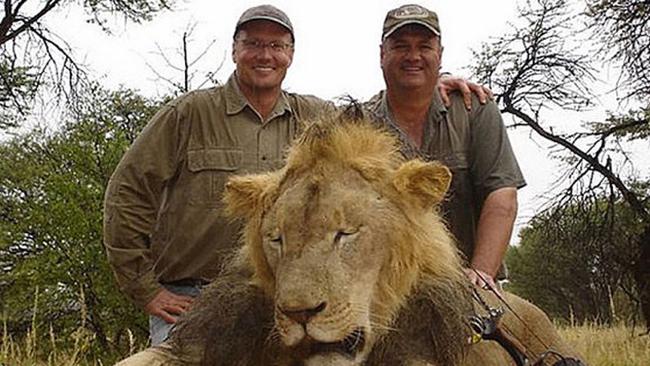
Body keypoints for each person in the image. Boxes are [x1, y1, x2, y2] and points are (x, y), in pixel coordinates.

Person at [103, 4, 490, 346]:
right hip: (190, 296)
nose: (265, 55)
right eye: (253, 43)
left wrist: (426, 84)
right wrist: (146, 290)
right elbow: (127, 194)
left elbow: (371, 132)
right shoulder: (188, 114)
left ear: (290, 54)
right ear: (234, 50)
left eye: (277, 46)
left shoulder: (316, 118)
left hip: (270, 293)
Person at [365, 4, 526, 291]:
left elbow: (502, 195)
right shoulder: (359, 122)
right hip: (388, 288)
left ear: (439, 54)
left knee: (530, 332)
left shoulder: (476, 109)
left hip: (468, 282)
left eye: (424, 46)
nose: (413, 56)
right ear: (381, 55)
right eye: (400, 46)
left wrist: (481, 275)